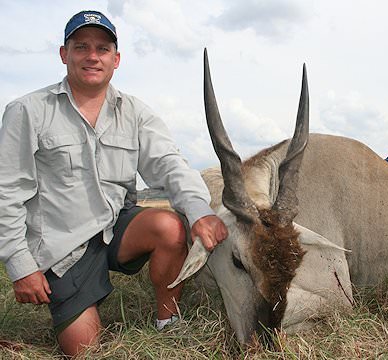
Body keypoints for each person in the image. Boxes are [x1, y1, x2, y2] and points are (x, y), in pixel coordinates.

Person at [0, 10, 228, 357]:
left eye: (103, 49)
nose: (93, 56)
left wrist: (198, 211)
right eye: (81, 47)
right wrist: (21, 267)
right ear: (64, 54)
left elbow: (169, 164)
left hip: (113, 228)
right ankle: (77, 307)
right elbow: (7, 192)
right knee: (86, 349)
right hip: (64, 248)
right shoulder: (27, 111)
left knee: (169, 226)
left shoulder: (135, 112)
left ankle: (168, 322)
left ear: (116, 59)